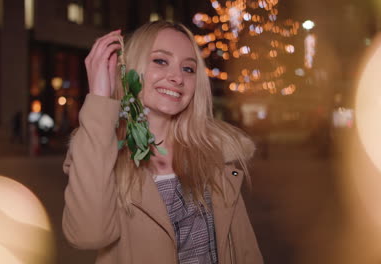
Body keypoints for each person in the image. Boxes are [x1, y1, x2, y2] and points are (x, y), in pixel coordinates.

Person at [62, 21, 263, 264]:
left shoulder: (215, 153)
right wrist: (100, 100)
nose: (177, 77)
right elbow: (88, 236)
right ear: (130, 69)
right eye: (160, 61)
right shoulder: (100, 154)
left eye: (188, 69)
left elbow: (245, 250)